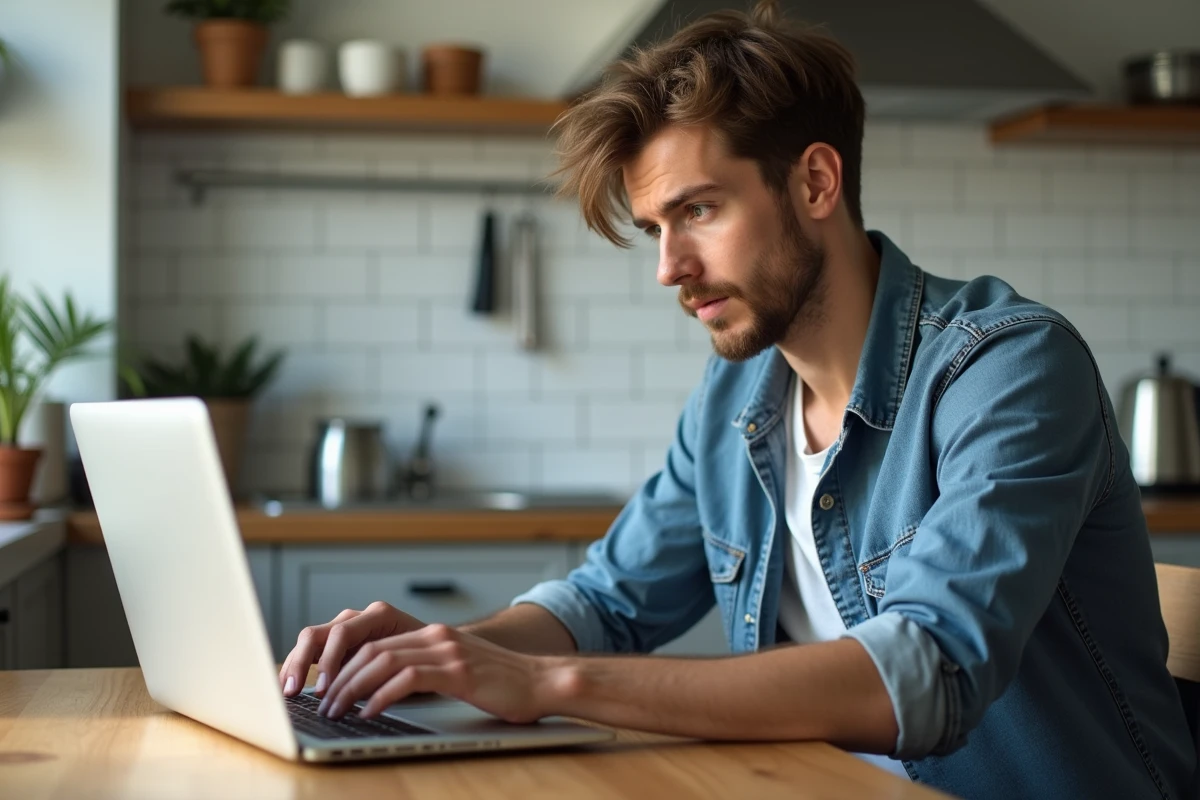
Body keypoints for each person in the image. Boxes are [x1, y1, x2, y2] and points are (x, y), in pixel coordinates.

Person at [277, 2, 1196, 796]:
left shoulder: (1008, 367)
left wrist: (551, 684)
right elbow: (608, 603)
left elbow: (928, 670)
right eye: (655, 228)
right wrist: (438, 655)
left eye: (699, 210)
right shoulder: (739, 396)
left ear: (816, 182)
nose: (670, 267)